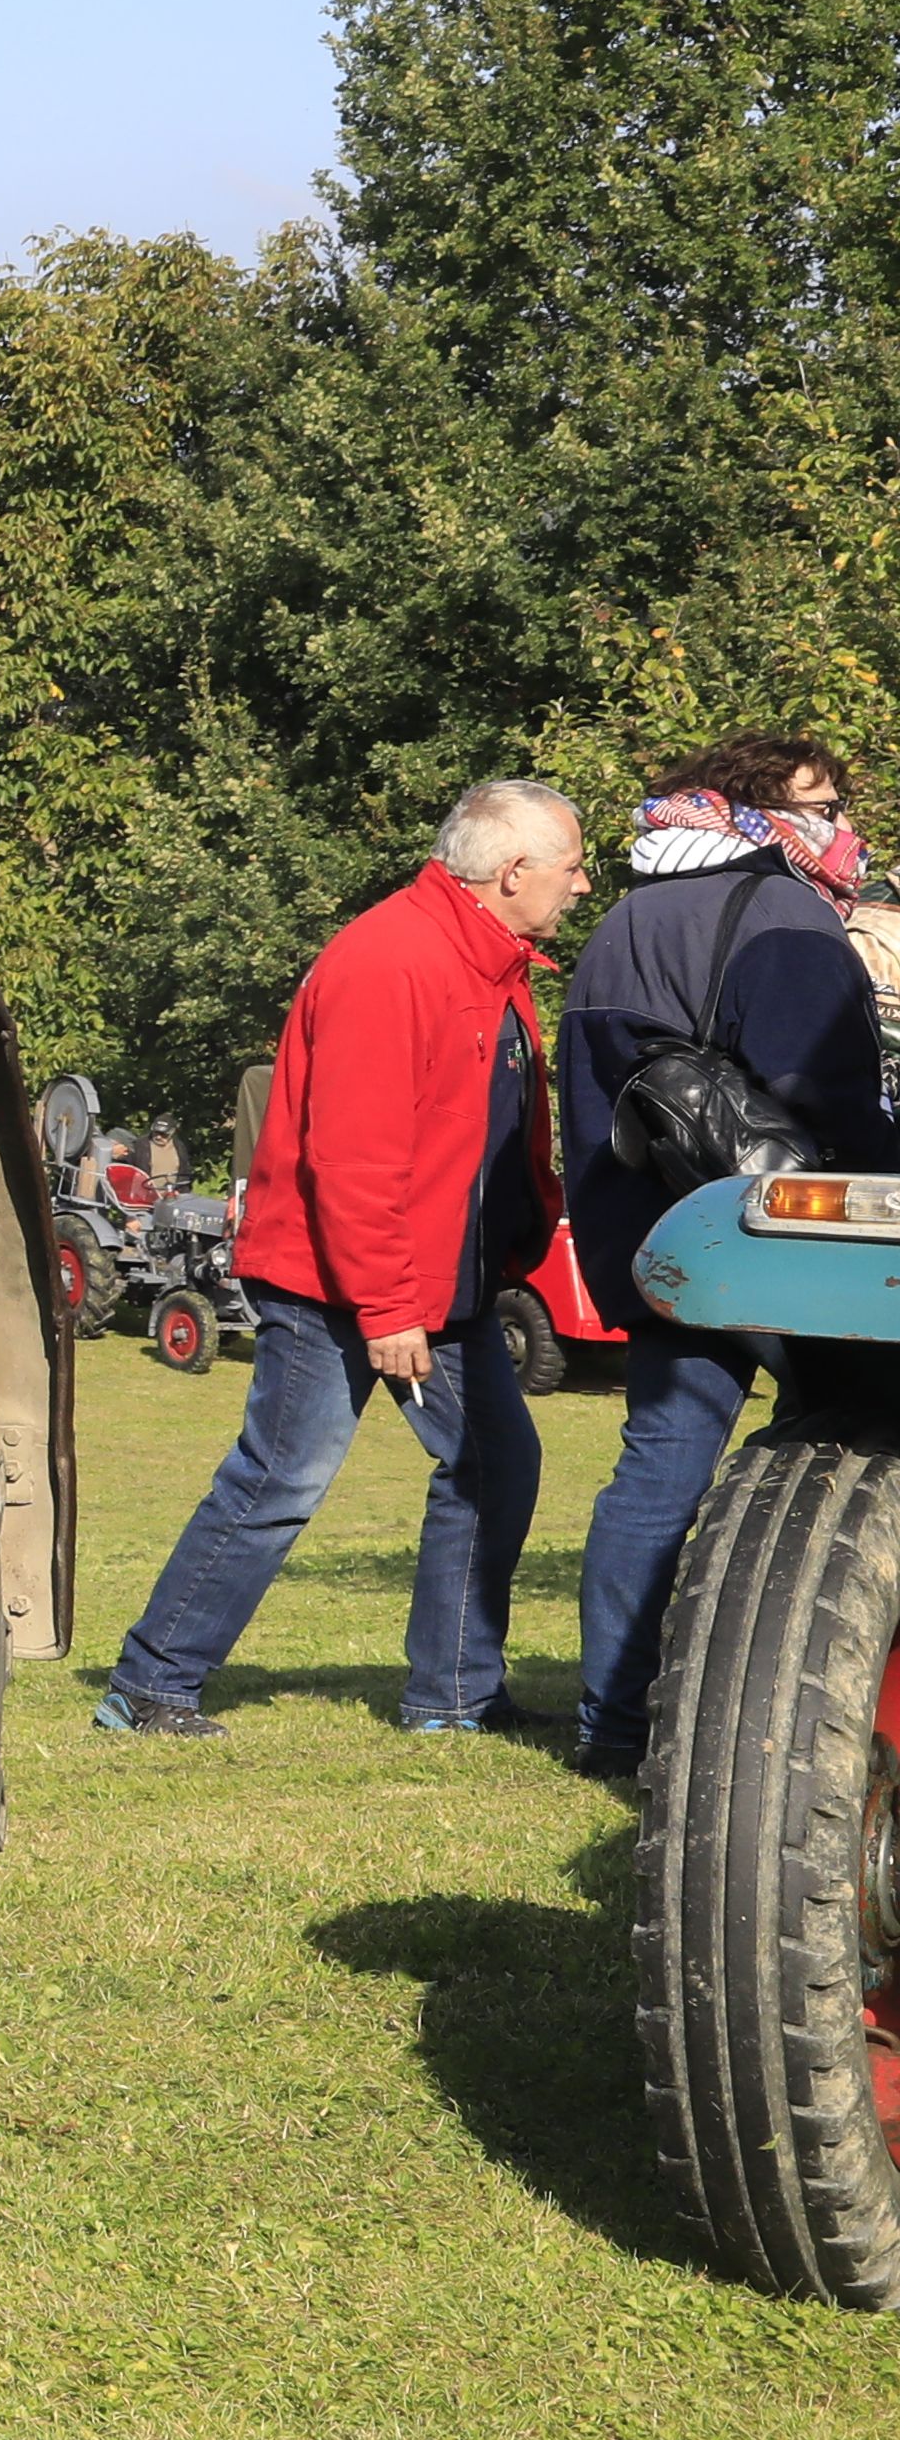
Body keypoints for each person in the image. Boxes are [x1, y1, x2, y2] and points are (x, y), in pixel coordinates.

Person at [97, 778, 591, 1739]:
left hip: (439, 1282)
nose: (580, 884)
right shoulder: (392, 958)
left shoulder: (493, 962)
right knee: (283, 1476)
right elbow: (355, 1158)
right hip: (339, 1282)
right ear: (512, 871)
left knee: (499, 1465)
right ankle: (151, 1685)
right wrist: (390, 1307)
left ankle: (452, 1697)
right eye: (573, 866)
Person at [555, 738, 886, 1783]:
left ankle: (613, 1717)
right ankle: (807, 1694)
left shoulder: (625, 918)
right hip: (784, 1244)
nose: (840, 824)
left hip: (650, 1233)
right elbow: (824, 1090)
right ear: (756, 812)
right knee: (847, 1462)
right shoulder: (783, 915)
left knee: (659, 1463)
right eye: (822, 805)